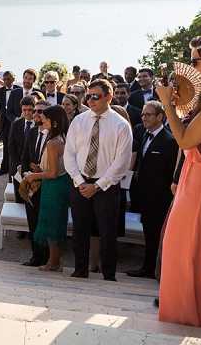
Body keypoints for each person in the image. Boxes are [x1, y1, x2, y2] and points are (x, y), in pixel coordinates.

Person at [64, 79, 133, 281]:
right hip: (80, 183)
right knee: (80, 229)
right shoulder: (79, 121)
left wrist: (97, 185)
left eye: (96, 96)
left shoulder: (121, 126)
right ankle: (80, 270)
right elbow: (69, 154)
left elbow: (121, 162)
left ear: (109, 97)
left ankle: (108, 275)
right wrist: (80, 181)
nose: (91, 100)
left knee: (107, 232)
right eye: (88, 96)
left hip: (107, 186)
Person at [157, 35, 201, 326]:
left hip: (199, 185)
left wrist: (166, 105)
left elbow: (185, 139)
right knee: (182, 246)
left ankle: (188, 310)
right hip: (192, 179)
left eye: (196, 59)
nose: (191, 65)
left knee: (186, 248)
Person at [127, 101, 178, 279]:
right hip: (144, 197)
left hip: (159, 199)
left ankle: (153, 270)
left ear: (160, 117)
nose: (144, 117)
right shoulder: (143, 134)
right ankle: (148, 268)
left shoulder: (170, 141)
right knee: (149, 234)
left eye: (148, 114)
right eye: (142, 114)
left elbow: (171, 173)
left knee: (156, 235)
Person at [25, 105, 70, 272]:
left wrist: (33, 176)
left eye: (45, 119)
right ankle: (55, 261)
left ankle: (53, 263)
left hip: (54, 186)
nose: (41, 121)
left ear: (54, 122)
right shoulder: (63, 138)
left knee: (52, 224)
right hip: (61, 184)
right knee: (57, 222)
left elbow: (52, 173)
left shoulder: (52, 143)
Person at [20, 100, 51, 266]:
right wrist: (28, 175)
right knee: (32, 222)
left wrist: (41, 171)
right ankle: (36, 257)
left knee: (45, 223)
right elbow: (25, 157)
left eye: (41, 111)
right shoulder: (31, 132)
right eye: (36, 111)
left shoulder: (55, 135)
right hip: (31, 186)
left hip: (48, 186)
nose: (37, 114)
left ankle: (48, 258)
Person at [8, 96, 35, 202]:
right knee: (19, 198)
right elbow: (11, 147)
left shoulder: (40, 124)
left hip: (34, 170)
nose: (27, 113)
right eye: (24, 110)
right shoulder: (16, 124)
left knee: (33, 199)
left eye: (30, 110)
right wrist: (18, 165)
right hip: (18, 168)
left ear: (34, 109)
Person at [0, 71, 21, 176]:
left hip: (16, 121)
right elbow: (1, 108)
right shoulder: (0, 91)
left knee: (16, 145)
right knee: (6, 145)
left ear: (13, 79)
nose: (6, 81)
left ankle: (15, 169)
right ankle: (4, 168)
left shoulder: (19, 89)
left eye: (8, 79)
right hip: (5, 123)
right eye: (4, 79)